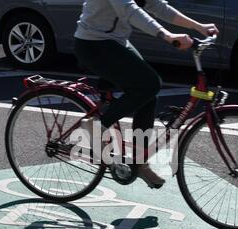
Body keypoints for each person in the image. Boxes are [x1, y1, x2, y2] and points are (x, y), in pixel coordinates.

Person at [74, 0, 219, 189]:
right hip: (92, 43)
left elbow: (158, 6)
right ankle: (96, 127)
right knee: (149, 85)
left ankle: (139, 161)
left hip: (115, 42)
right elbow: (129, 10)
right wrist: (167, 35)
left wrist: (198, 26)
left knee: (149, 93)